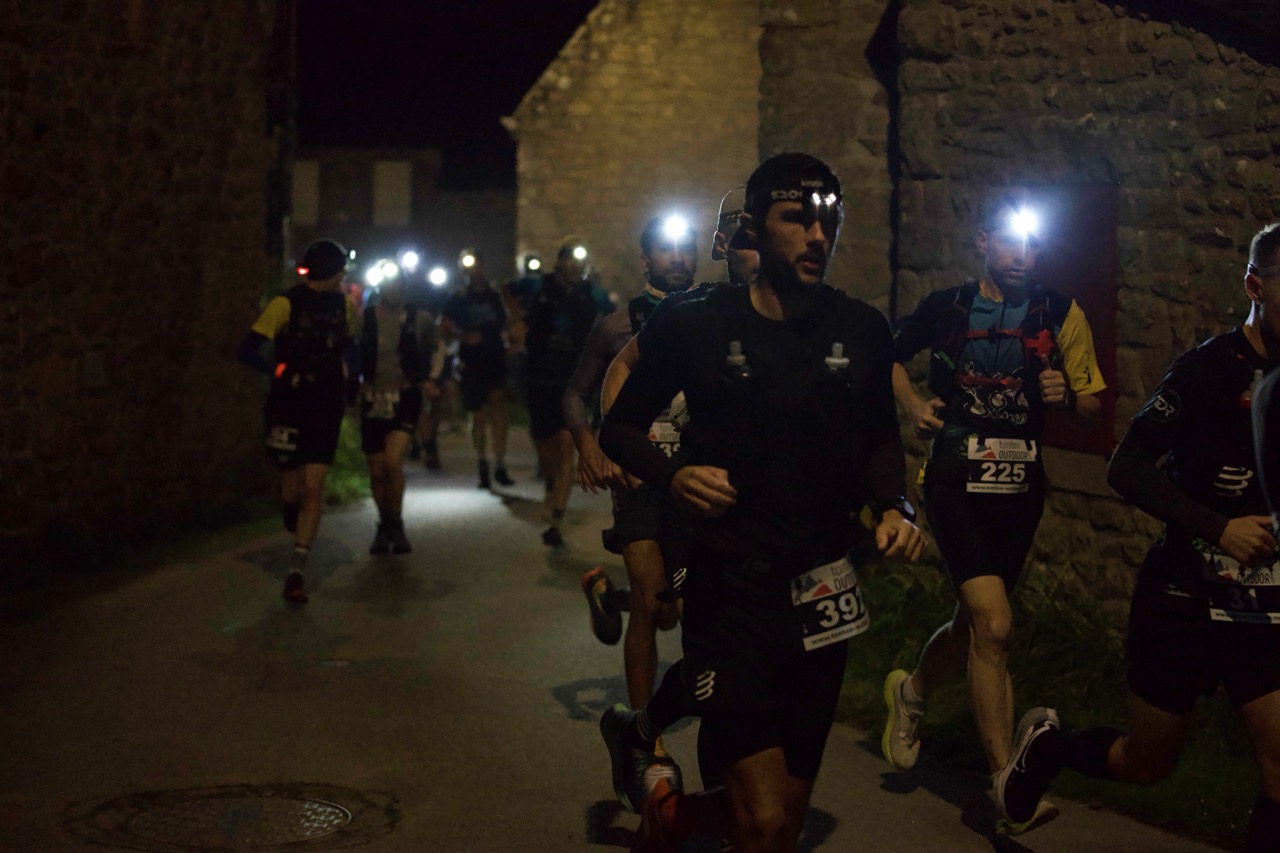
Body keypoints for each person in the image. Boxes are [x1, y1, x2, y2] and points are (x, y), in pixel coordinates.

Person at [599, 153, 926, 851]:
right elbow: (619, 429)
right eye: (796, 219)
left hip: (824, 588)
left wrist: (894, 506)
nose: (817, 235)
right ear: (753, 227)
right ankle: (650, 751)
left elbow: (879, 435)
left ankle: (669, 813)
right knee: (766, 819)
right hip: (731, 589)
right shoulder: (696, 323)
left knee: (780, 825)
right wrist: (674, 475)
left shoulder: (862, 329)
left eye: (829, 220)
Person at [1006, 223, 1280, 852]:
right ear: (1255, 286)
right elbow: (1125, 467)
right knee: (1147, 764)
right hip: (1182, 595)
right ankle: (1049, 749)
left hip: (1259, 605)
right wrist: (1219, 528)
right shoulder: (1207, 370)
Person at [879, 194, 1106, 830]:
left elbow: (1095, 403)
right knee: (996, 625)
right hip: (954, 479)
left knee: (976, 624)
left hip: (1020, 487)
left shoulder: (1060, 311)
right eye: (1009, 241)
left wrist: (1067, 395)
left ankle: (911, 691)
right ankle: (1007, 782)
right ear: (982, 240)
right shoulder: (948, 306)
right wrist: (913, 406)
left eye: (1031, 244)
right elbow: (885, 356)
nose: (1021, 255)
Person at [239, 239, 356, 604]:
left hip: (326, 403)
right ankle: (291, 510)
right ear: (331, 271)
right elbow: (247, 348)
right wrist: (276, 369)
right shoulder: (285, 304)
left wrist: (352, 378)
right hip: (289, 403)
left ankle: (296, 572)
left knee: (313, 488)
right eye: (340, 270)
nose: (343, 276)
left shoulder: (344, 305)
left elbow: (350, 346)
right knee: (291, 490)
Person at [523, 237, 614, 546]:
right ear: (559, 261)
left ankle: (557, 517)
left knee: (566, 448)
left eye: (579, 259)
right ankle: (550, 484)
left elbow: (610, 324)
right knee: (546, 447)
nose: (574, 265)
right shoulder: (540, 289)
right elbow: (513, 305)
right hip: (541, 380)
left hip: (575, 383)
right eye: (568, 258)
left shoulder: (593, 296)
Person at [359, 271, 444, 554]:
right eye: (387, 285)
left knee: (393, 461)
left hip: (404, 397)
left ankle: (396, 522)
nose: (392, 290)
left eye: (396, 285)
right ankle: (383, 524)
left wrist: (431, 379)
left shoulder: (419, 319)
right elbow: (350, 351)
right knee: (376, 470)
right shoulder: (366, 318)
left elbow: (439, 346)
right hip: (373, 399)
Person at [442, 249, 514, 489]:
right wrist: (463, 336)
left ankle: (500, 463)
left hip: (494, 358)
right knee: (478, 414)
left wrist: (509, 342)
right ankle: (482, 462)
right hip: (471, 361)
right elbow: (445, 324)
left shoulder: (495, 296)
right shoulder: (459, 297)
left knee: (499, 408)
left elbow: (508, 321)